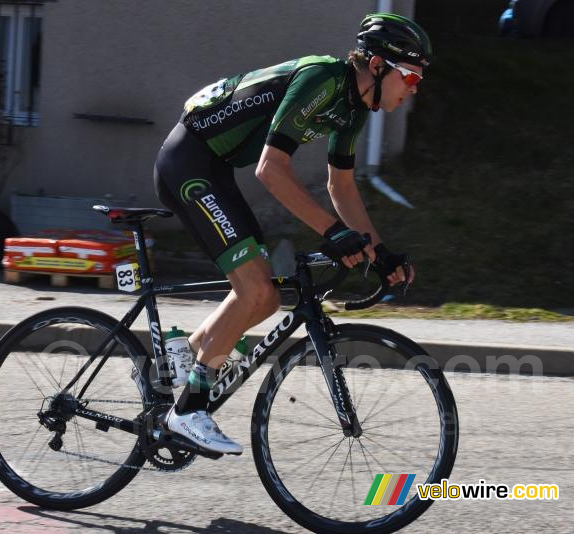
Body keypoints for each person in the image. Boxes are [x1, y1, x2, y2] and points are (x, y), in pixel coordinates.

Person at [153, 13, 429, 454]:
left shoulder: (354, 110)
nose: (414, 87)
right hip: (189, 163)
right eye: (411, 75)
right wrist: (333, 232)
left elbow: (341, 187)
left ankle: (177, 356)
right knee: (254, 288)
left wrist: (380, 254)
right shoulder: (323, 78)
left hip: (215, 168)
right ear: (377, 67)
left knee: (264, 298)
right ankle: (188, 410)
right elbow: (270, 169)